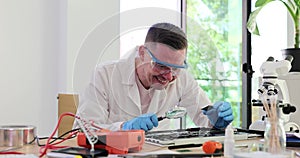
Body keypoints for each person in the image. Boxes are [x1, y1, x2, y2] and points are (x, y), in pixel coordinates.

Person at [74, 22, 234, 131]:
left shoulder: (182, 79)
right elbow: (83, 131)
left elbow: (204, 118)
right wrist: (123, 128)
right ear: (142, 53)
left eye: (177, 68)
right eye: (161, 66)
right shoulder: (105, 75)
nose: (169, 76)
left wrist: (216, 121)